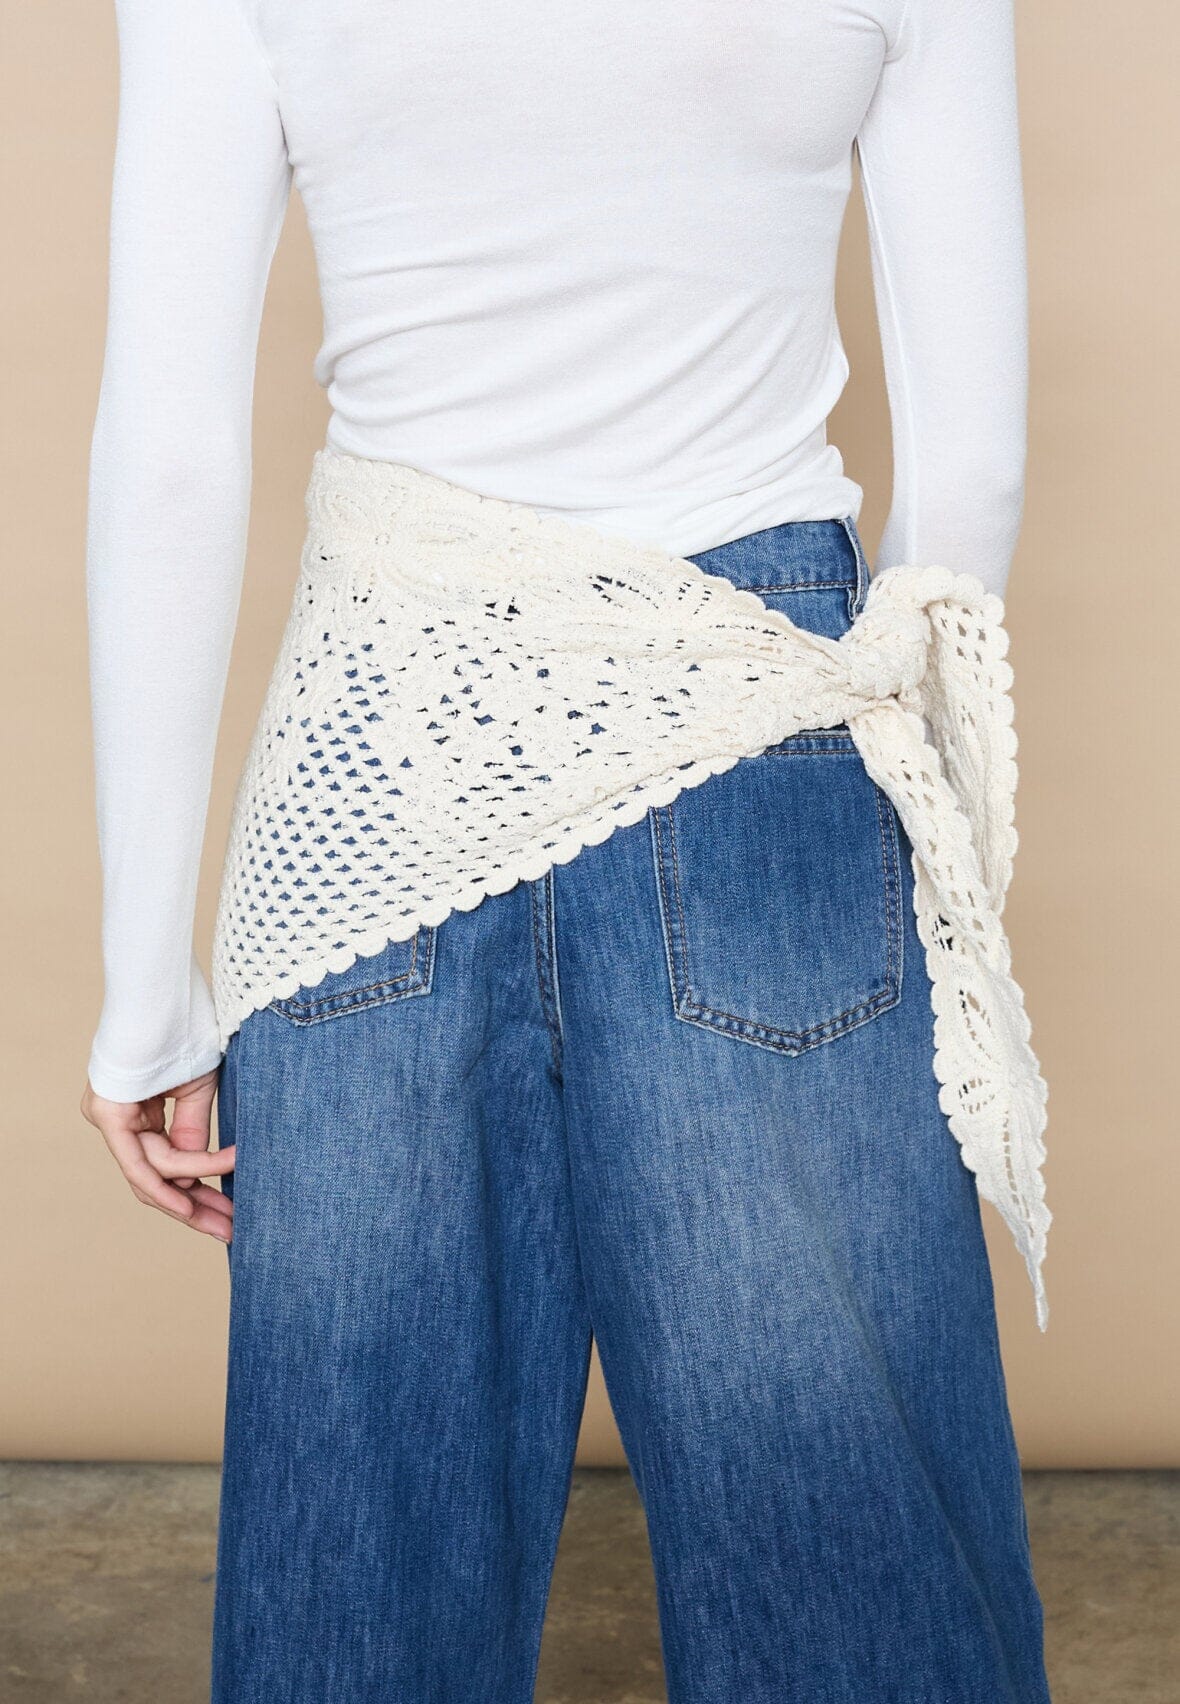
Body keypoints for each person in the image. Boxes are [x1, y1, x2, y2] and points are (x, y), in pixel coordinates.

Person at [80, 0, 1053, 1698]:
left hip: (381, 760)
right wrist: (879, 810)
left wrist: (144, 998)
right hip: (759, 719)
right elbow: (972, 469)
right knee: (851, 1538)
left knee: (361, 1561)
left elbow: (169, 458)